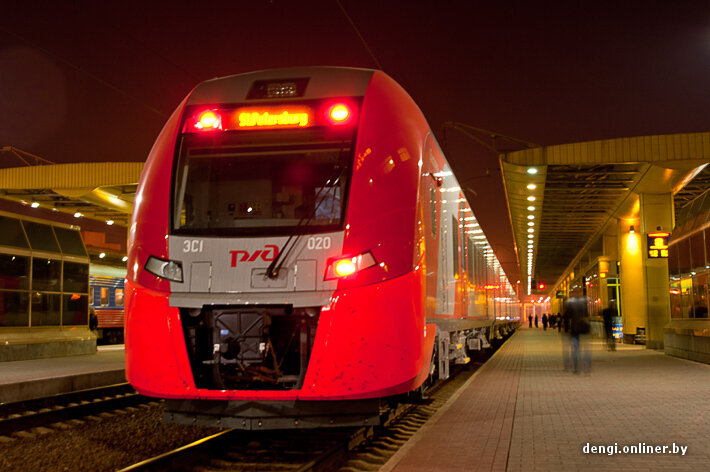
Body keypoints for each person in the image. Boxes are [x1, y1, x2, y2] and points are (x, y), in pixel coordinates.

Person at [566, 296, 591, 374]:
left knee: (575, 348)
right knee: (586, 349)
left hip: (575, 329)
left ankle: (577, 368)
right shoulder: (584, 305)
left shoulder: (571, 305)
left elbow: (567, 316)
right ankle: (587, 368)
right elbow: (587, 316)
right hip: (583, 329)